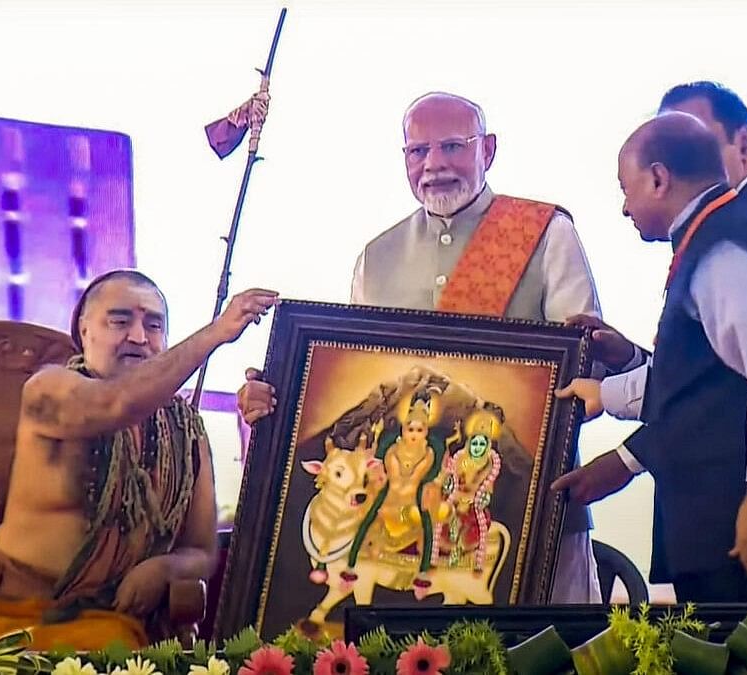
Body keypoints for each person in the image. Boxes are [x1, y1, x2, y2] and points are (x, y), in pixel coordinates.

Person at [241, 91, 608, 603]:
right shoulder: (376, 255)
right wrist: (282, 394)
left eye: (453, 147)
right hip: (406, 520)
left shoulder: (545, 234)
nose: (434, 165)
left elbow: (588, 371)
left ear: (490, 150)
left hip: (530, 500)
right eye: (418, 152)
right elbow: (363, 379)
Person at [554, 112, 747, 602]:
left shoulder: (724, 250)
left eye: (626, 187)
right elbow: (709, 377)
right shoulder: (716, 233)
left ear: (658, 178)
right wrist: (605, 394)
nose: (623, 207)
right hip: (738, 524)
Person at [0, 270, 280, 649]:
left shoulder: (185, 428)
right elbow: (116, 404)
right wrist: (215, 334)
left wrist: (162, 569)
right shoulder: (50, 390)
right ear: (84, 331)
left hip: (118, 632)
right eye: (120, 321)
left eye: (154, 325)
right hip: (9, 626)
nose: (139, 337)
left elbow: (201, 552)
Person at [573, 81, 747, 383]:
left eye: (692, 142)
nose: (673, 164)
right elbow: (700, 379)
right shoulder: (714, 228)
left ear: (743, 145)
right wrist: (628, 358)